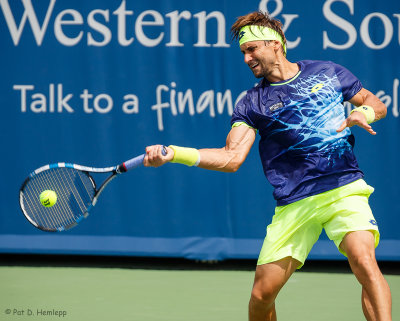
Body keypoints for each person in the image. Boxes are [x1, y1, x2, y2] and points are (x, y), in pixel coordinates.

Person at [143, 11, 392, 321]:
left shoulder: (328, 72)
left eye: (251, 49)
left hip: (343, 188)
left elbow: (376, 103)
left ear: (275, 44)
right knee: (262, 296)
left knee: (364, 261)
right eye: (243, 53)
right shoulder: (251, 103)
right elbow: (231, 158)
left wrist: (364, 114)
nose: (247, 58)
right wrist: (175, 152)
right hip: (295, 202)